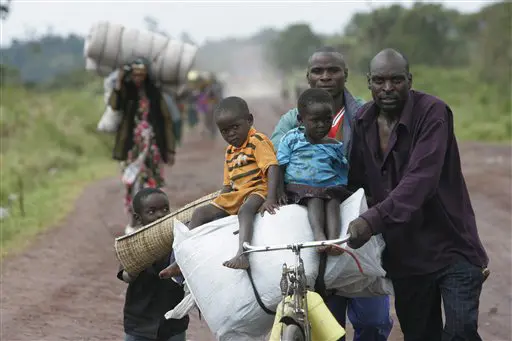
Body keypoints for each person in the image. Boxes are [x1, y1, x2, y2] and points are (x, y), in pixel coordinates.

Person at [347, 48, 489, 341]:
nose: (388, 88)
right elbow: (357, 182)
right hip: (405, 255)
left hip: (452, 246)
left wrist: (371, 221)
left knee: (460, 331)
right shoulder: (362, 120)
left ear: (410, 80)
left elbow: (421, 180)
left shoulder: (433, 112)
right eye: (380, 80)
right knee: (420, 335)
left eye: (396, 80)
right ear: (369, 82)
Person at [270, 46, 393, 341]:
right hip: (308, 218)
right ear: (308, 77)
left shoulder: (366, 114)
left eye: (333, 70)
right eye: (318, 71)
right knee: (326, 322)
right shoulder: (290, 121)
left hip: (360, 216)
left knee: (374, 320)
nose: (325, 76)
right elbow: (275, 161)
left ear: (346, 75)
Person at [160, 96, 280, 278]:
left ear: (250, 120)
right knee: (200, 213)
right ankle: (182, 260)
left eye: (235, 127)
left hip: (257, 190)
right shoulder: (230, 151)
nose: (231, 134)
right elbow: (227, 185)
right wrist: (219, 205)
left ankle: (243, 253)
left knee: (245, 211)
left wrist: (271, 198)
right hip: (237, 194)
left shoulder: (257, 141)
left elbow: (272, 167)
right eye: (225, 131)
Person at [277, 88, 350, 253]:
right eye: (315, 120)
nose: (321, 125)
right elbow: (279, 166)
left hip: (327, 187)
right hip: (299, 187)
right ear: (301, 120)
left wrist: (340, 188)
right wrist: (279, 191)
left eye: (327, 120)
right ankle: (319, 237)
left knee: (333, 201)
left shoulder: (335, 146)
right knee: (315, 198)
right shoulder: (292, 139)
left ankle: (334, 240)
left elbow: (341, 170)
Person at [109, 57, 177, 235]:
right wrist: (118, 84)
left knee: (152, 181)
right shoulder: (126, 92)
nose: (138, 78)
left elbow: (165, 121)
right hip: (132, 145)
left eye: (142, 75)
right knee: (131, 182)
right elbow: (114, 105)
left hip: (152, 145)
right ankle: (134, 219)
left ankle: (155, 219)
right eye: (135, 75)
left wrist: (169, 149)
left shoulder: (154, 94)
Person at [118, 187, 189, 341]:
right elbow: (125, 276)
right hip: (139, 323)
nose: (160, 215)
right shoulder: (131, 244)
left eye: (165, 209)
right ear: (138, 218)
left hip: (173, 322)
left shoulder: (178, 240)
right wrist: (134, 268)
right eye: (151, 212)